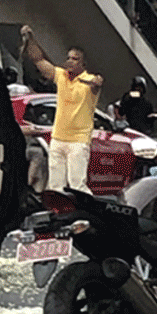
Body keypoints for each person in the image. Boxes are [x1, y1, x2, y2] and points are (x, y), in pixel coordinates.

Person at [21, 25, 103, 195]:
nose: (70, 61)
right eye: (69, 58)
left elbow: (97, 83)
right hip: (58, 138)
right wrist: (30, 38)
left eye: (75, 59)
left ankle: (83, 215)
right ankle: (58, 214)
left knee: (77, 185)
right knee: (55, 186)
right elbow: (38, 60)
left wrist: (95, 81)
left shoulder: (88, 80)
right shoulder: (61, 76)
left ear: (82, 63)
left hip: (78, 141)